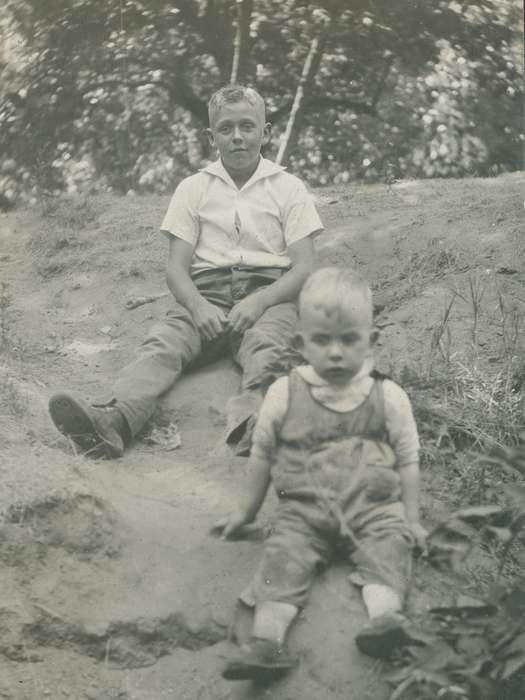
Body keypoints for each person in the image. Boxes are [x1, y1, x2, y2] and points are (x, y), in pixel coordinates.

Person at [48, 85, 323, 458]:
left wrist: (260, 302)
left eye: (247, 126)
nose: (238, 137)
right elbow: (176, 269)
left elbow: (304, 266)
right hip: (207, 294)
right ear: (212, 137)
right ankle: (113, 422)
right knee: (163, 343)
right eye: (226, 129)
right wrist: (197, 306)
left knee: (267, 348)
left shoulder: (288, 188)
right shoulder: (194, 189)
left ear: (266, 132)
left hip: (269, 294)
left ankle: (260, 422)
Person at [215, 267, 427, 681]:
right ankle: (265, 643)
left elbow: (407, 457)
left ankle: (384, 621)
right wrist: (245, 511)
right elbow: (261, 454)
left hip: (373, 510)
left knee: (389, 546)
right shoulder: (283, 393)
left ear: (371, 340)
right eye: (322, 340)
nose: (335, 352)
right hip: (304, 513)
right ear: (300, 343)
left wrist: (413, 519)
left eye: (349, 339)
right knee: (281, 560)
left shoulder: (389, 396)